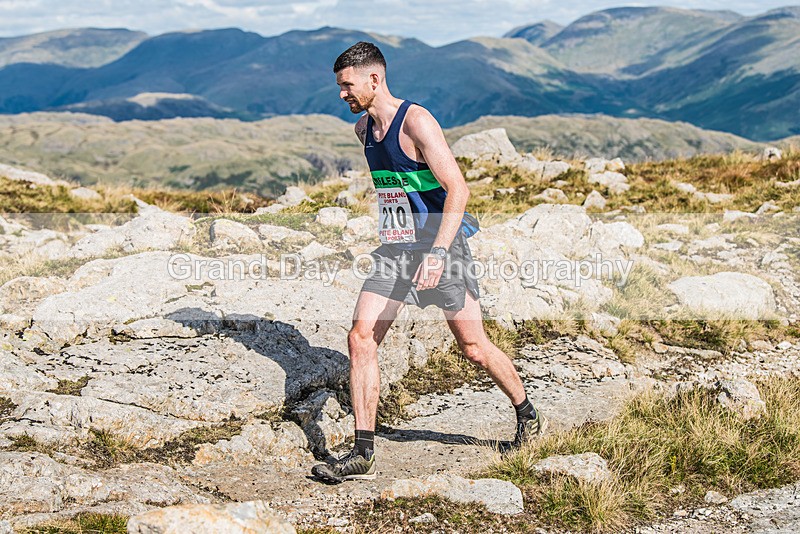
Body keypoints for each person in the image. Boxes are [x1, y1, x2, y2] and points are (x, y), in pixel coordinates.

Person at [311, 41, 545, 484]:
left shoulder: (416, 121)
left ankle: (527, 413)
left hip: (443, 246)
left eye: (347, 85)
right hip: (397, 250)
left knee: (473, 348)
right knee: (361, 338)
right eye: (339, 86)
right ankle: (363, 450)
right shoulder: (363, 131)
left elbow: (457, 190)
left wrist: (438, 253)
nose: (342, 94)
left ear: (374, 79)